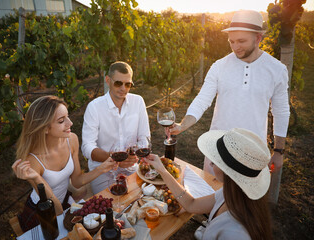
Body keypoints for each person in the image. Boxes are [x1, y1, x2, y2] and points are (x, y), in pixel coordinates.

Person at [170, 10, 290, 175]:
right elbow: (202, 100)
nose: (235, 47)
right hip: (219, 148)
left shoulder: (277, 70)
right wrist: (183, 125)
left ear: (258, 38)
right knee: (213, 195)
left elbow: (281, 111)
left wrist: (278, 151)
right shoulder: (219, 66)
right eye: (231, 41)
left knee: (245, 199)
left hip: (253, 151)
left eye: (241, 41)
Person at [11, 95, 116, 232]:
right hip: (43, 212)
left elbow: (77, 181)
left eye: (67, 116)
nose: (70, 123)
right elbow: (57, 210)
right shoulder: (33, 161)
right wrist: (35, 178)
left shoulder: (71, 140)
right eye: (61, 121)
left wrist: (102, 168)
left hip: (64, 201)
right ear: (45, 128)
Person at [146, 128, 273, 240]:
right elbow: (192, 204)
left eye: (217, 160)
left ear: (228, 173)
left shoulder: (235, 233)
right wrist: (162, 170)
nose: (211, 163)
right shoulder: (232, 193)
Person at [81, 61, 150, 194]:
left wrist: (134, 156)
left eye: (128, 84)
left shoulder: (138, 102)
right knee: (110, 205)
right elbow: (87, 147)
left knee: (143, 198)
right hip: (102, 170)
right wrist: (114, 158)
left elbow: (144, 137)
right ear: (108, 80)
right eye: (118, 83)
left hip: (131, 167)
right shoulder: (94, 107)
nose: (123, 88)